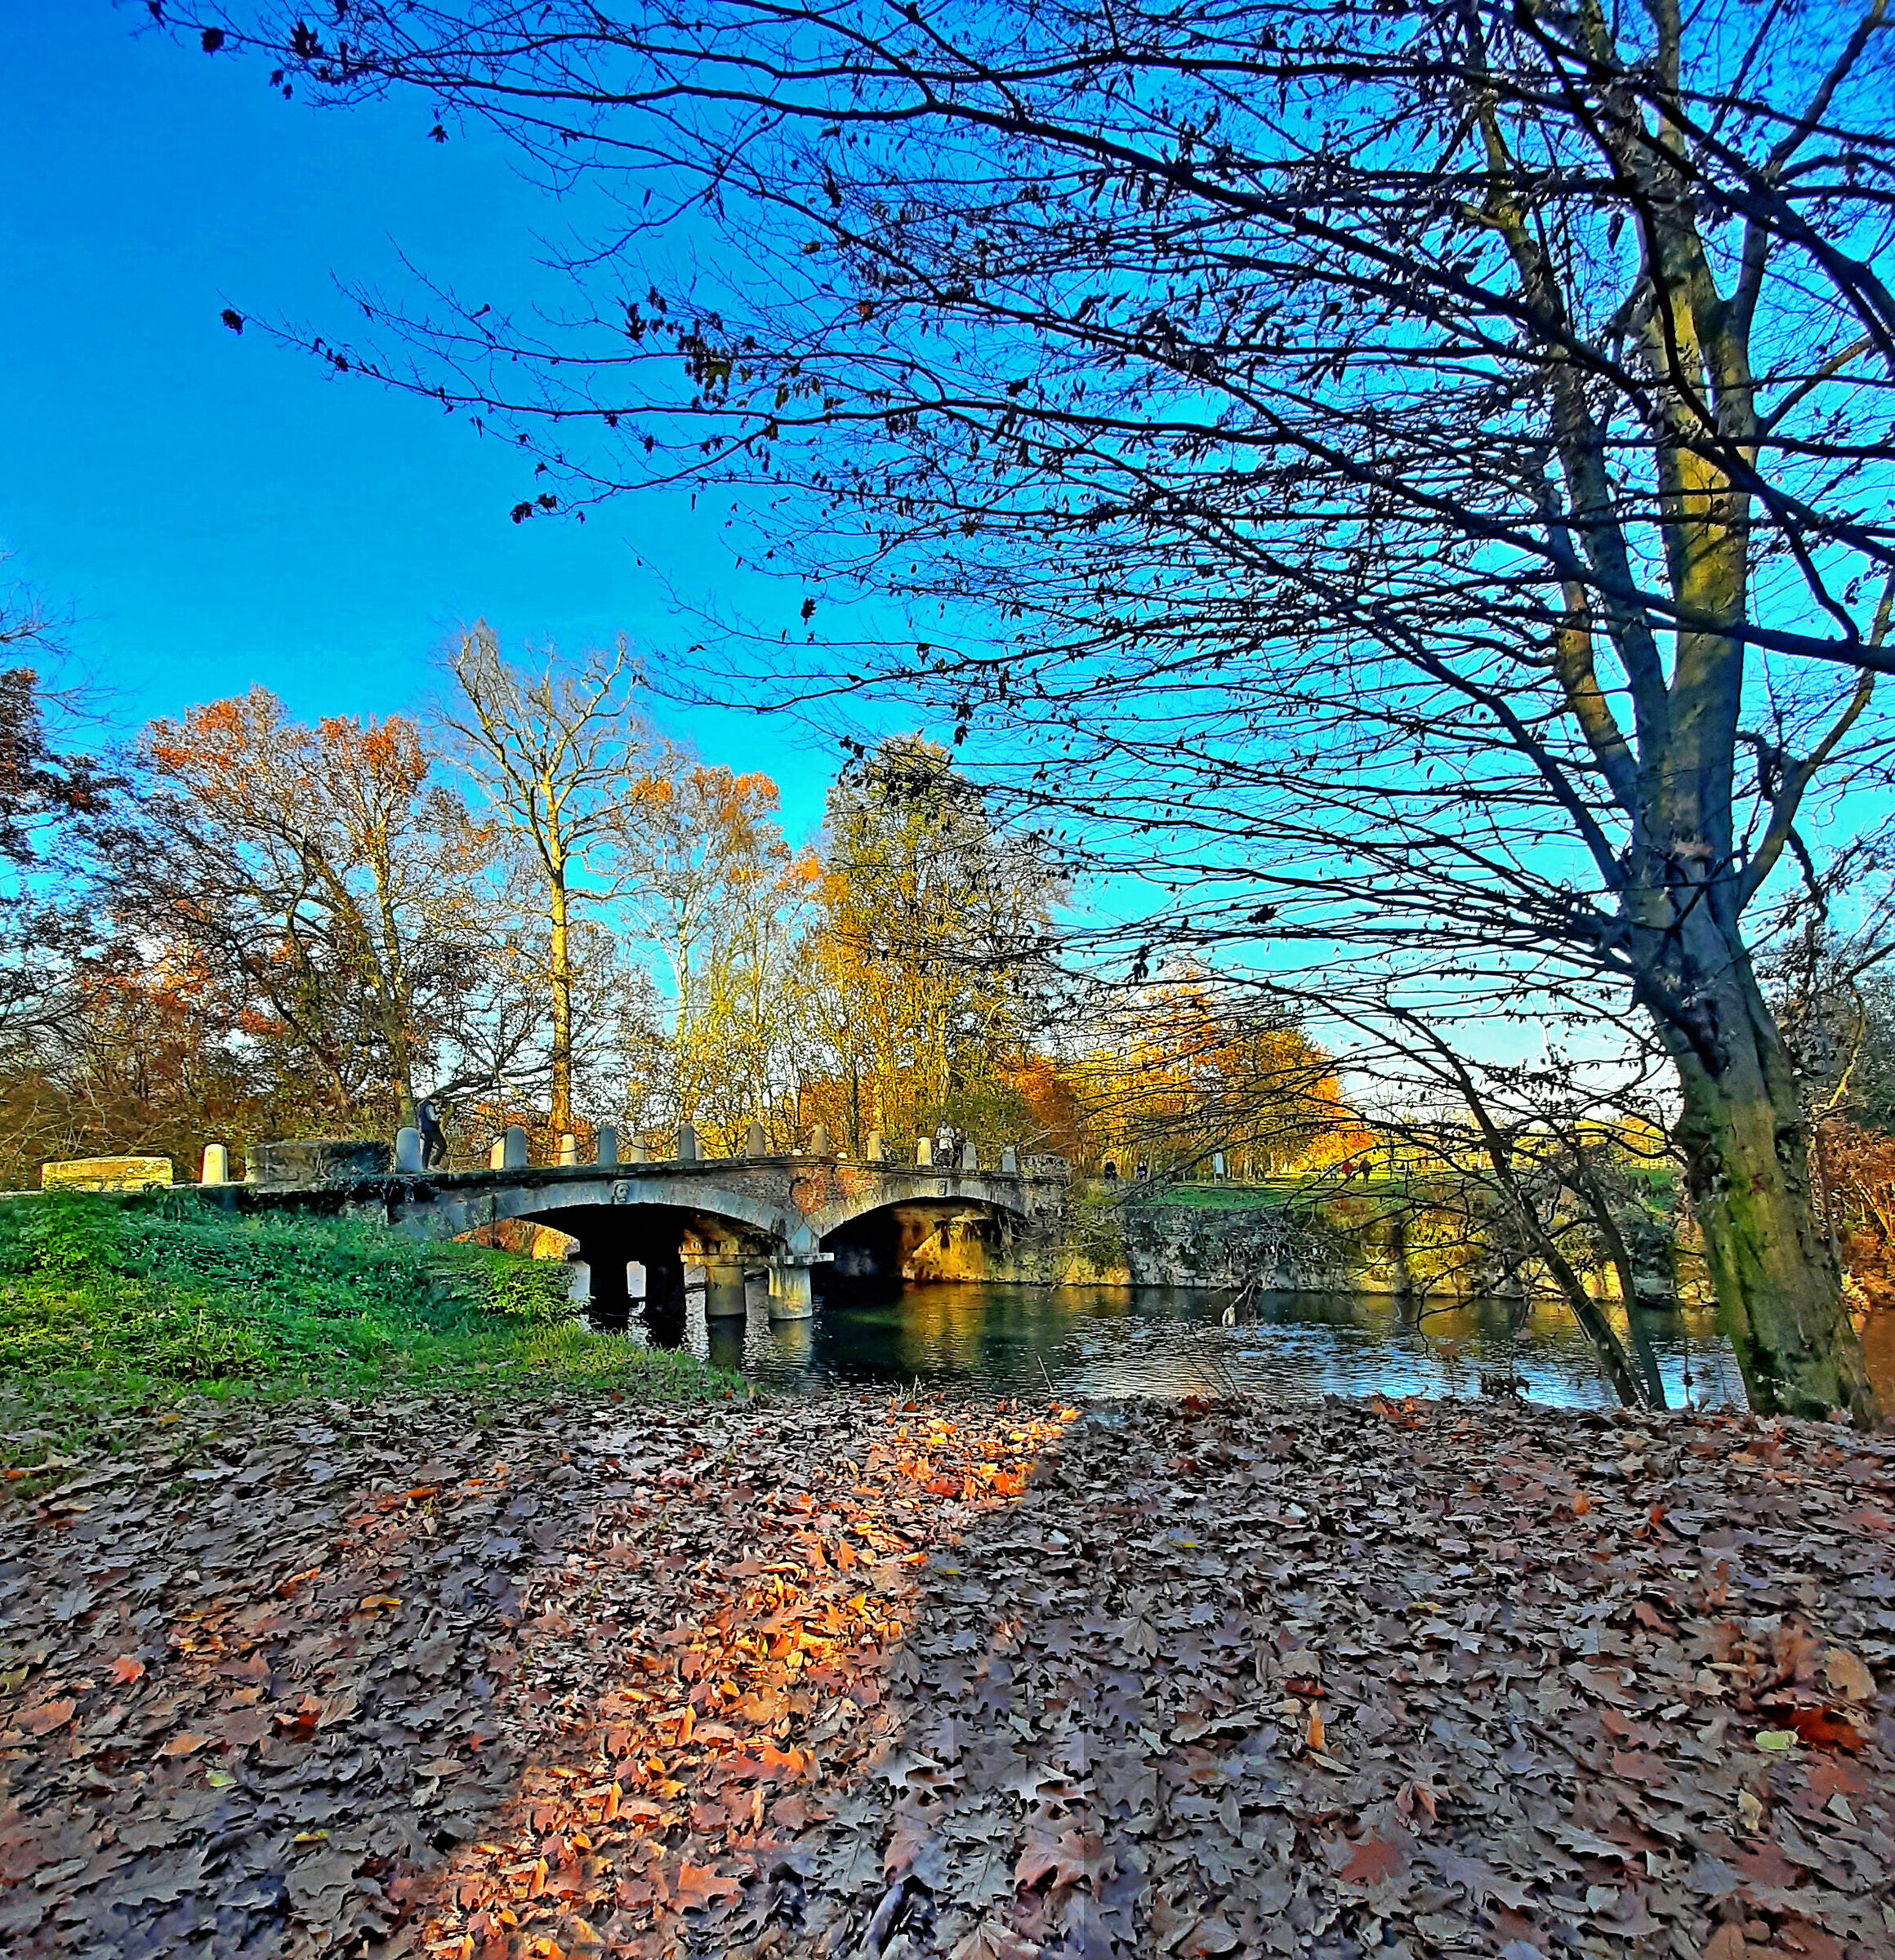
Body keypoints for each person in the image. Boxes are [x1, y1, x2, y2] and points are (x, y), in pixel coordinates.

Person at [415, 1097, 448, 1169]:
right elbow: (432, 1118)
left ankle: (424, 1166)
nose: (438, 1102)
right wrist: (439, 1117)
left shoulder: (422, 1106)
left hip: (425, 1129)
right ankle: (434, 1163)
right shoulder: (430, 1106)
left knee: (427, 1148)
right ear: (433, 1099)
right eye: (438, 1100)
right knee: (443, 1146)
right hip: (432, 1129)